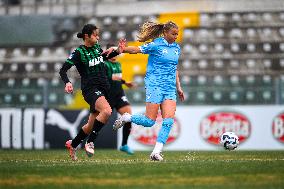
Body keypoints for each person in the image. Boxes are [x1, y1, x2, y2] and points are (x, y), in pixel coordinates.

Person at [113, 21, 185, 161]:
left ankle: (156, 152)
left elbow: (174, 68)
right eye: (173, 33)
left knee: (168, 121)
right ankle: (127, 117)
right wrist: (123, 49)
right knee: (150, 121)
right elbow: (137, 49)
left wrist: (179, 87)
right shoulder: (156, 44)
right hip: (155, 85)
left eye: (177, 34)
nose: (176, 36)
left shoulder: (176, 48)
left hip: (169, 88)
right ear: (165, 33)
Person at [59, 24, 125, 161]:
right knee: (106, 111)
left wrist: (118, 50)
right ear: (87, 36)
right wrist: (68, 82)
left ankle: (73, 144)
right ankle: (90, 142)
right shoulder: (79, 52)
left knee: (90, 125)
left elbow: (104, 58)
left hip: (104, 88)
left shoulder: (96, 48)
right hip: (91, 89)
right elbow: (63, 70)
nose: (98, 37)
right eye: (95, 34)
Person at [105, 43, 137, 155]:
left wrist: (125, 82)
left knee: (128, 116)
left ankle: (124, 145)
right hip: (107, 97)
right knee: (99, 122)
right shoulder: (104, 64)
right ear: (107, 52)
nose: (114, 54)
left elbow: (117, 77)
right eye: (112, 51)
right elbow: (109, 77)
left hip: (119, 95)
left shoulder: (118, 64)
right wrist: (123, 80)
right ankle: (88, 141)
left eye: (116, 51)